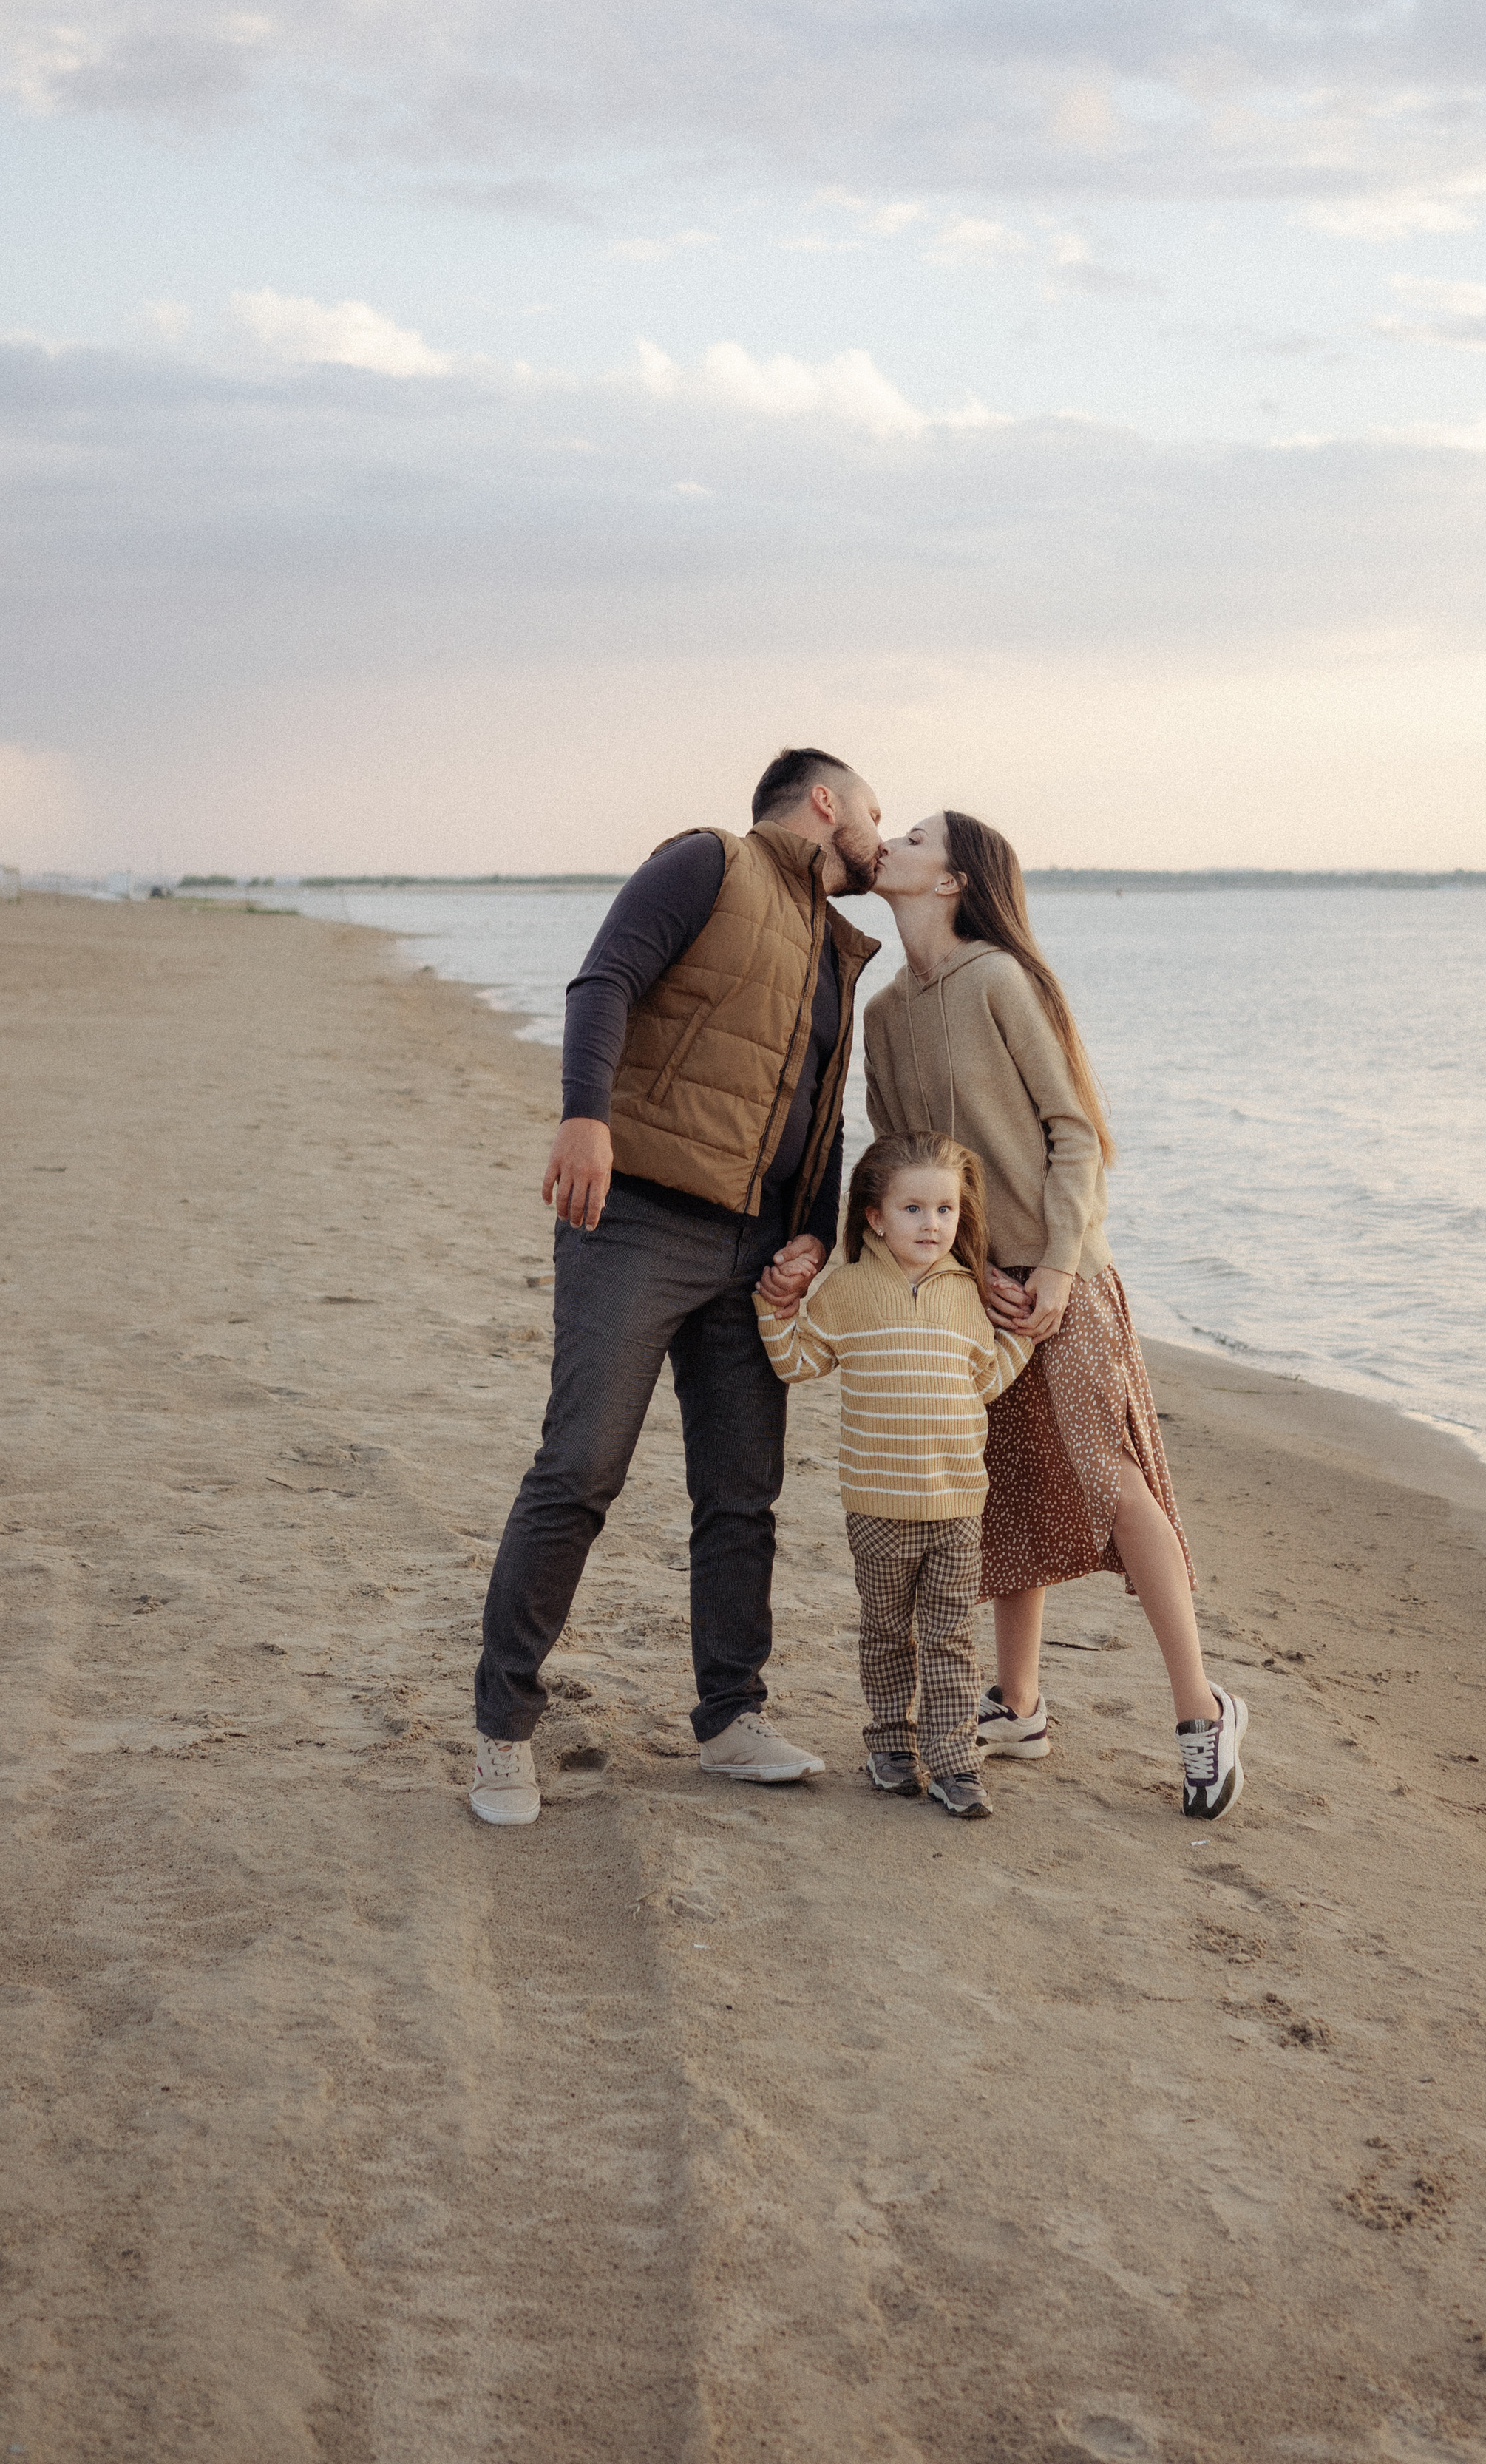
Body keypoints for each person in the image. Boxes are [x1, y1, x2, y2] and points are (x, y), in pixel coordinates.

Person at [467, 747, 883, 1826]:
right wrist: (584, 1114)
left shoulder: (842, 950)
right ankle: (503, 1731)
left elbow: (821, 1115)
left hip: (757, 1251)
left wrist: (815, 1237)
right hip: (641, 1219)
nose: (884, 837)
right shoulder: (710, 863)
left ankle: (731, 1718)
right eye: (876, 814)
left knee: (742, 1493)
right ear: (826, 803)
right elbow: (605, 979)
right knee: (580, 1468)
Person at [863, 812, 1248, 1823]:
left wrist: (1062, 1272)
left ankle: (1202, 1712)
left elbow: (1076, 1135)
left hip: (1064, 1283)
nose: (889, 841)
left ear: (951, 881)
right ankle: (1021, 1706)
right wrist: (964, 1265)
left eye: (912, 836)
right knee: (1002, 1495)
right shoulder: (885, 1012)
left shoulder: (996, 979)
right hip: (975, 1289)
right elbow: (905, 1167)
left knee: (1112, 1480)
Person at [753, 1133, 1034, 1820]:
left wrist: (1024, 1333)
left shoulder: (970, 1295)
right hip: (877, 1506)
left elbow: (988, 1380)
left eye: (945, 1210)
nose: (932, 1224)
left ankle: (954, 1762)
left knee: (948, 1639)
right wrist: (773, 1307)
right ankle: (888, 1743)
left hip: (959, 1505)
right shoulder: (846, 1291)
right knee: (885, 1633)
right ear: (876, 1217)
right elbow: (796, 1363)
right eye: (914, 1209)